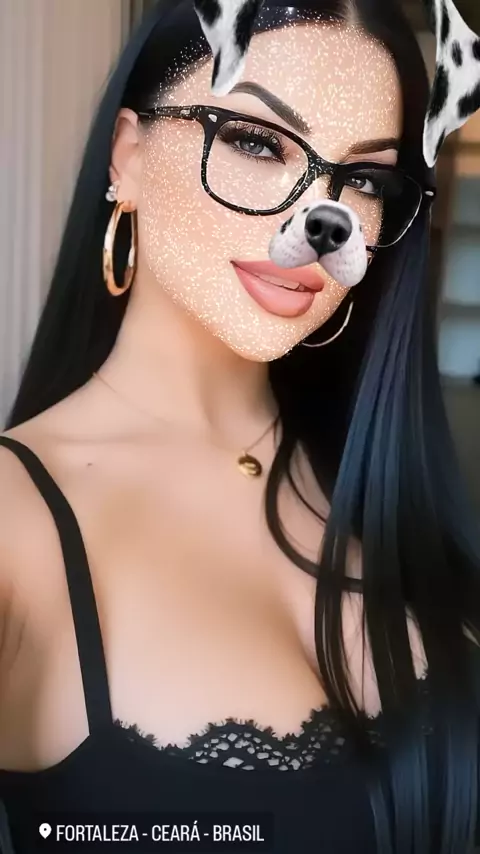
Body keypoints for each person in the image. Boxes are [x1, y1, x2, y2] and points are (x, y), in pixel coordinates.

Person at [0, 1, 478, 852]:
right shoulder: (15, 521)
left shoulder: (383, 475)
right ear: (128, 154)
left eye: (365, 180)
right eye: (257, 142)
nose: (322, 215)